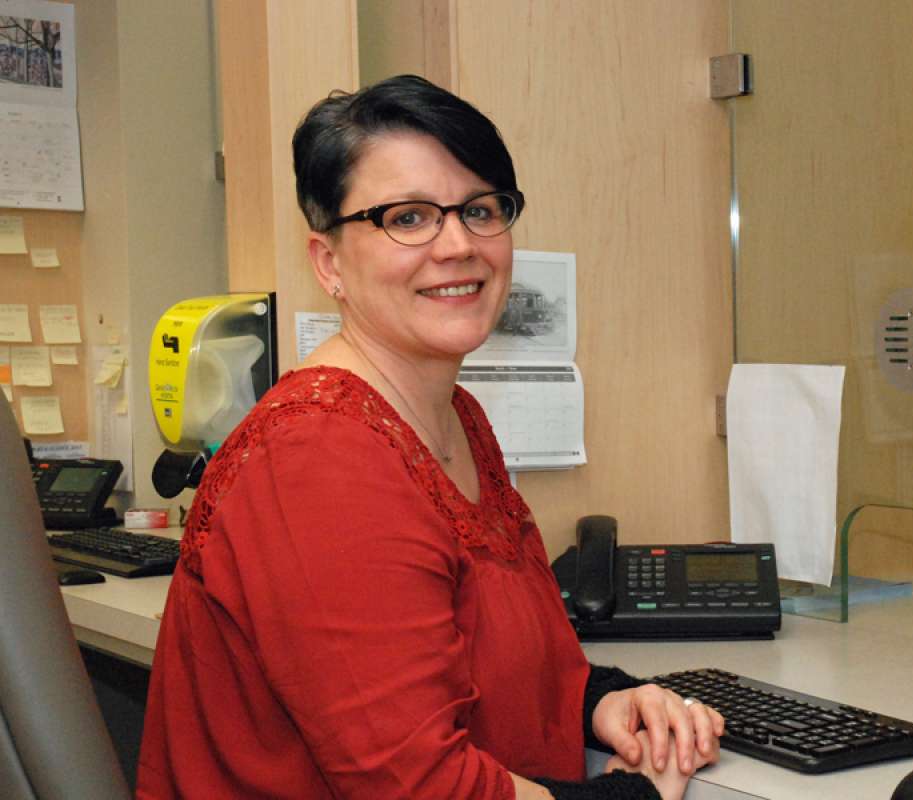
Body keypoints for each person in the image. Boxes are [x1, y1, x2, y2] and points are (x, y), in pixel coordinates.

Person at [136, 74, 722, 800]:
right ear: (329, 264)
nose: (458, 246)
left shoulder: (455, 417)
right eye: (408, 218)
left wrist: (600, 700)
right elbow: (416, 786)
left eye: (480, 210)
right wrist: (639, 795)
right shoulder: (315, 457)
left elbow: (482, 655)